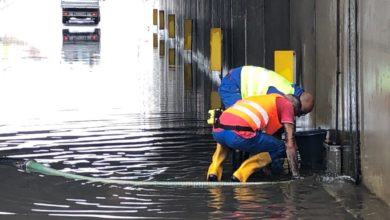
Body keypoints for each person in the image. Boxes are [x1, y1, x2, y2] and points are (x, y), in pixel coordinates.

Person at [207, 93, 305, 182]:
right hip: (237, 135)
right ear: (293, 106)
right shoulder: (287, 105)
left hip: (218, 131)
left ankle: (213, 172)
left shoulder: (266, 98)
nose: (292, 117)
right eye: (295, 115)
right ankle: (240, 174)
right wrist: (296, 176)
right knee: (281, 147)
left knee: (227, 138)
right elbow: (290, 144)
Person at [219, 65, 314, 114]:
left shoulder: (292, 88)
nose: (298, 116)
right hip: (234, 84)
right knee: (236, 121)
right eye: (300, 112)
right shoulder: (283, 95)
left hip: (237, 77)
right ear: (297, 103)